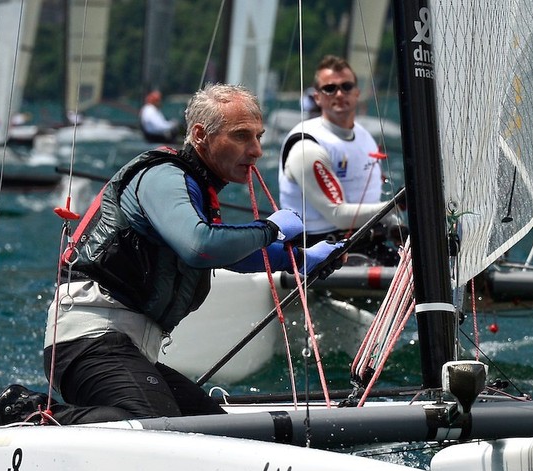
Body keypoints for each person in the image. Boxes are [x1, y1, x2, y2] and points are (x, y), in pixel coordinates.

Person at [35, 83, 343, 423]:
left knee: (217, 431)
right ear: (200, 135)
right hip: (88, 341)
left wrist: (299, 259)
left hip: (126, 349)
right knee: (161, 431)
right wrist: (270, 228)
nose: (256, 150)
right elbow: (200, 246)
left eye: (258, 136)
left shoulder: (197, 189)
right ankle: (27, 411)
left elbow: (232, 255)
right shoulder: (163, 177)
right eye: (241, 136)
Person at [278, 55, 400, 265]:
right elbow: (339, 215)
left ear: (357, 92)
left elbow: (372, 203)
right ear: (317, 97)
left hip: (368, 245)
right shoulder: (307, 146)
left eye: (346, 86)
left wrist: (397, 226)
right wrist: (400, 204)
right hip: (321, 255)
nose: (339, 93)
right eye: (330, 88)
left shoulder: (365, 137)